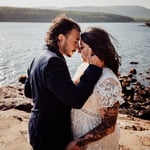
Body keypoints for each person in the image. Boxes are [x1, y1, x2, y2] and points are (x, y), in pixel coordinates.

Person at [24, 16, 103, 150]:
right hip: (51, 135)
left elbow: (28, 91)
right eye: (76, 40)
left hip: (37, 129)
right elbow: (76, 100)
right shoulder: (54, 62)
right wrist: (94, 69)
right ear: (61, 38)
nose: (78, 46)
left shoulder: (39, 57)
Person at [66, 27, 124, 150]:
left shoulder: (108, 81)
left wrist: (79, 143)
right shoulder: (84, 66)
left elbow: (109, 125)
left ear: (94, 49)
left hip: (94, 142)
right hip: (77, 131)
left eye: (82, 47)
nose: (78, 51)